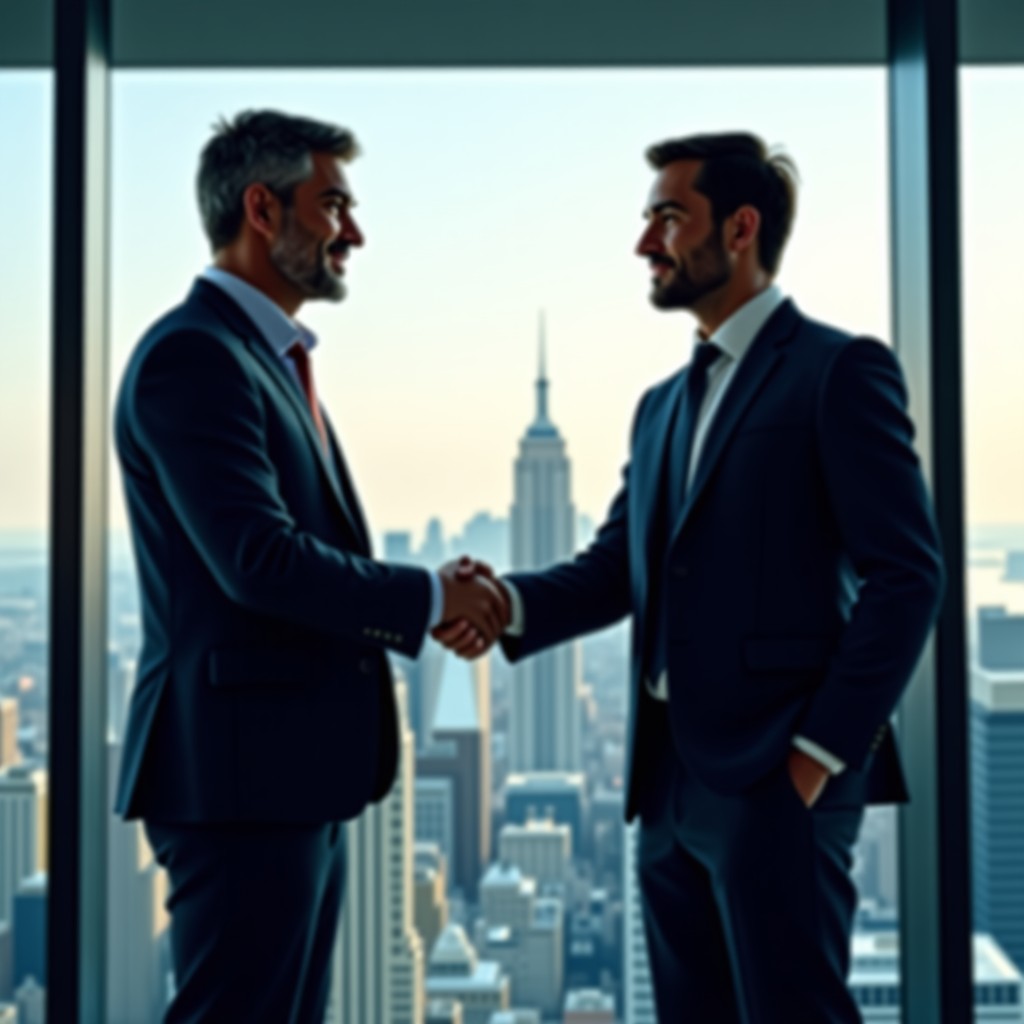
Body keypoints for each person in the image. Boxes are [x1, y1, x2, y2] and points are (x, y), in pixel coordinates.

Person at [438, 132, 944, 1022]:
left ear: (740, 229)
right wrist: (504, 604)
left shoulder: (838, 371)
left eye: (668, 219)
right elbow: (616, 569)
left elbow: (909, 576)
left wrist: (816, 758)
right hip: (669, 785)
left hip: (779, 778)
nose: (645, 243)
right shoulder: (660, 406)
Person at [113, 109, 509, 1024]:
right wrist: (430, 597)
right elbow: (259, 560)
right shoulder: (194, 357)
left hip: (281, 775)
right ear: (263, 209)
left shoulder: (258, 357)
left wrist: (432, 595)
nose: (353, 232)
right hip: (238, 780)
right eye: (334, 206)